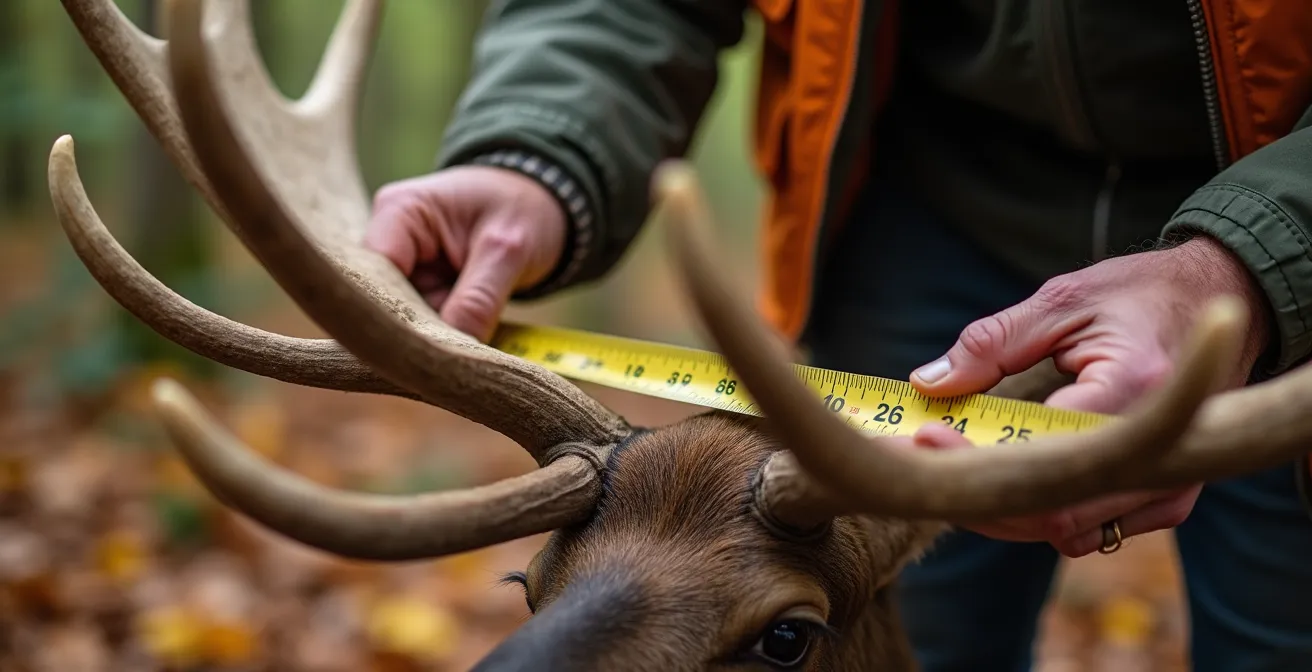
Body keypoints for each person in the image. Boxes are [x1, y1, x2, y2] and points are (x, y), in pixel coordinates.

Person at [363, 2, 1312, 669]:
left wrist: (1260, 261)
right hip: (925, 207)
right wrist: (537, 150)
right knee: (910, 635)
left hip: (1276, 211)